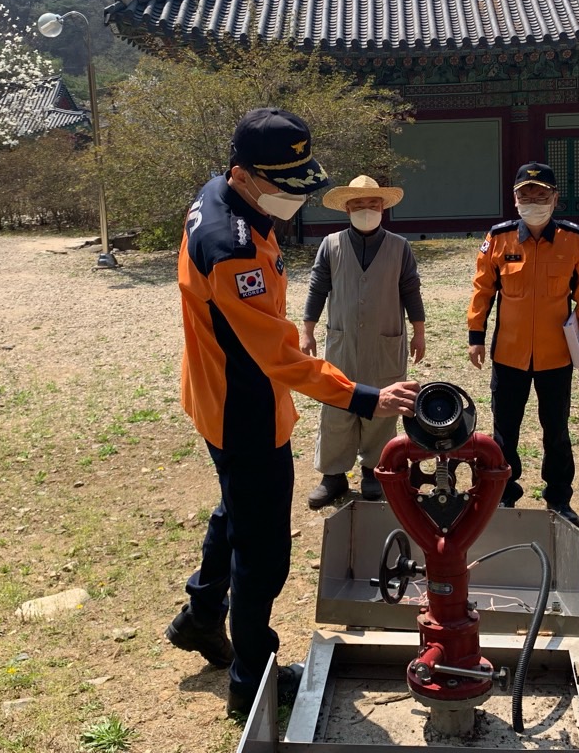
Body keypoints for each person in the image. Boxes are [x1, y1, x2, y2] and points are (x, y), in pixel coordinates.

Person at [166, 108, 420, 719]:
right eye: (283, 185)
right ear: (243, 174)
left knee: (235, 509)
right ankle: (252, 680)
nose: (295, 198)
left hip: (216, 390)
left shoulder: (221, 196)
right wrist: (365, 396)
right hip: (243, 407)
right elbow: (279, 356)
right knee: (263, 553)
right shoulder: (232, 248)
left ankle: (201, 614)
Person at [467, 161, 579, 525]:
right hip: (508, 354)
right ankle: (503, 494)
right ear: (515, 199)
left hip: (555, 356)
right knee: (504, 430)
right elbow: (483, 291)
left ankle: (558, 497)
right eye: (525, 195)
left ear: (555, 199)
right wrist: (476, 336)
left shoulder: (574, 240)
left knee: (556, 429)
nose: (533, 201)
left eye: (541, 195)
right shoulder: (499, 238)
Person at [299, 175, 426, 508]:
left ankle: (374, 469)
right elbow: (317, 288)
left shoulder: (399, 247)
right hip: (342, 340)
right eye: (358, 204)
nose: (366, 209)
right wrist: (307, 330)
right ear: (347, 209)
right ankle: (333, 475)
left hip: (386, 341)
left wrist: (419, 332)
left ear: (382, 207)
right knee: (336, 404)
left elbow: (411, 290)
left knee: (384, 406)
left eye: (372, 204)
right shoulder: (331, 245)